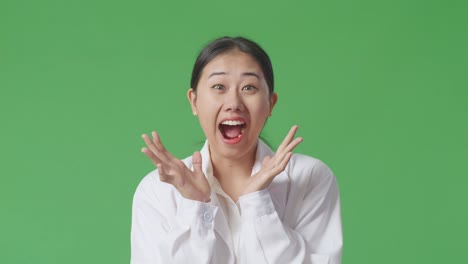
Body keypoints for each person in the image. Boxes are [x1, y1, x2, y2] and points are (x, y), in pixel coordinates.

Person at [131, 36, 342, 264]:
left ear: (271, 103)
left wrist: (256, 202)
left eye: (249, 87)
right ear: (194, 101)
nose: (234, 102)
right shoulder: (157, 191)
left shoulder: (309, 177)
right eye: (219, 87)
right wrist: (195, 206)